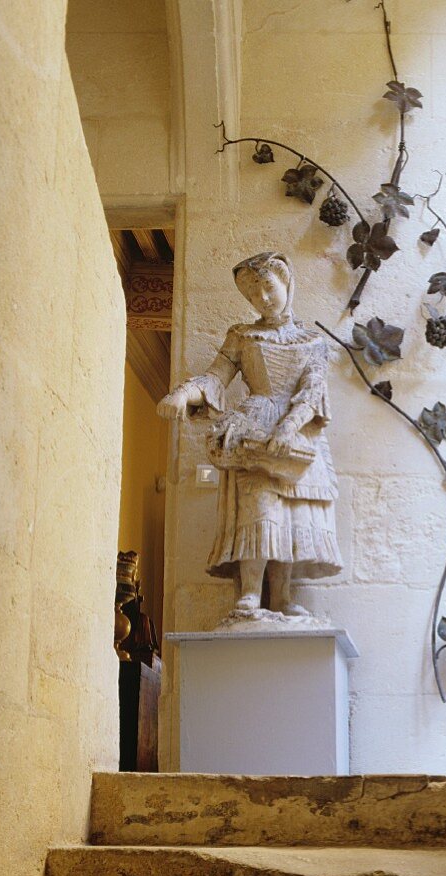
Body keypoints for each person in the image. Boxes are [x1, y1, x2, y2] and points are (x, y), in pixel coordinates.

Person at [157, 251, 342, 617]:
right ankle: (250, 594)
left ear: (286, 283)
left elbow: (313, 389)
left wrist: (289, 427)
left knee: (290, 512)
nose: (264, 299)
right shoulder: (242, 336)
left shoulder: (313, 341)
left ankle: (282, 597)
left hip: (297, 428)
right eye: (254, 295)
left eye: (269, 289)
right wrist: (181, 394)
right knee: (258, 509)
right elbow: (216, 376)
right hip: (253, 424)